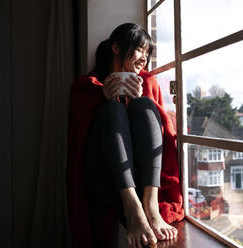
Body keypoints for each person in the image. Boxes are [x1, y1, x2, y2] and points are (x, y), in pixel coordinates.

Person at [67, 23, 184, 248]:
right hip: (104, 180)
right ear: (117, 48)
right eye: (139, 49)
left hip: (143, 180)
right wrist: (104, 99)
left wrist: (138, 99)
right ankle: (133, 209)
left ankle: (150, 206)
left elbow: (165, 131)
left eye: (148, 53)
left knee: (144, 106)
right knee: (113, 110)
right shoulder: (86, 85)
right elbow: (79, 139)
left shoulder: (148, 82)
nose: (144, 58)